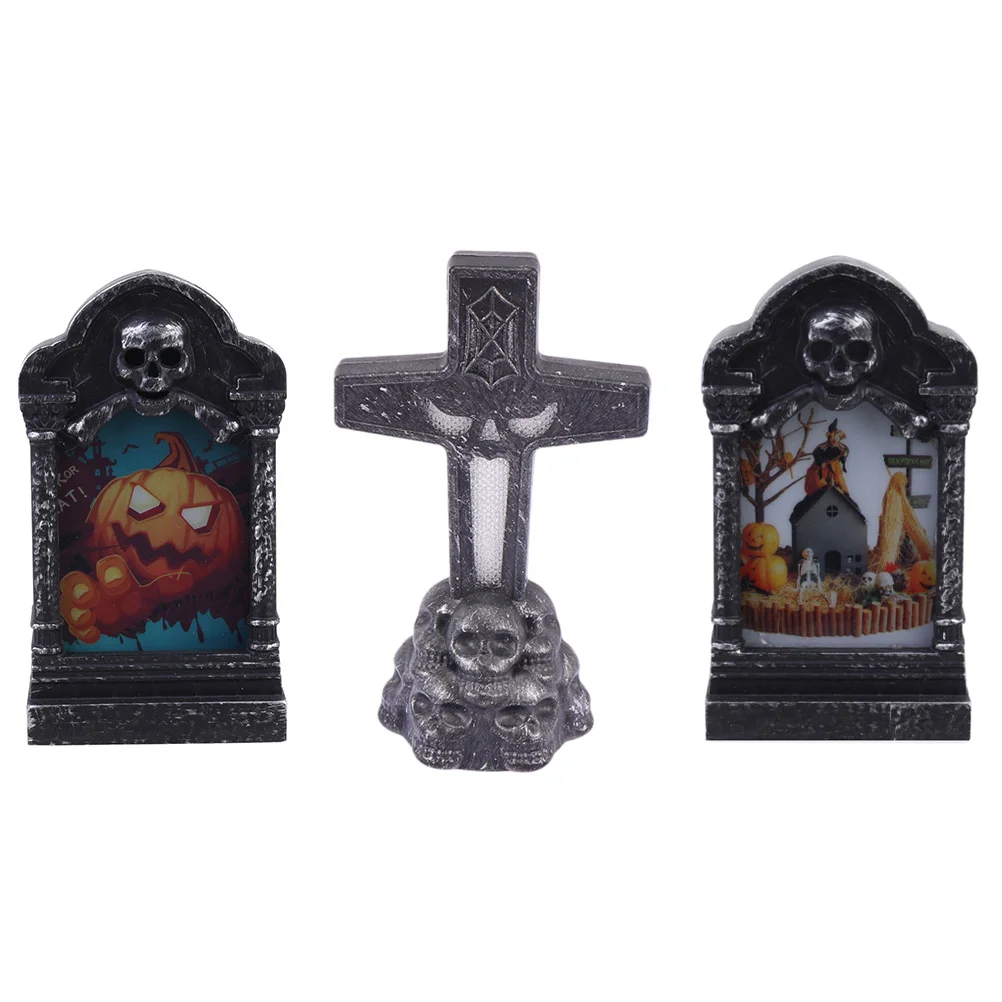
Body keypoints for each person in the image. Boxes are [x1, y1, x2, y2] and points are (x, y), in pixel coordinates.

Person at [805, 419, 851, 497]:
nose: (834, 441)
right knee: (818, 479)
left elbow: (846, 451)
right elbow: (816, 453)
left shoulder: (841, 446)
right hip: (823, 465)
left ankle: (843, 493)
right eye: (832, 438)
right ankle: (824, 491)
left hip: (835, 465)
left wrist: (844, 455)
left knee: (839, 478)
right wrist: (822, 462)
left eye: (836, 438)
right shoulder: (824, 446)